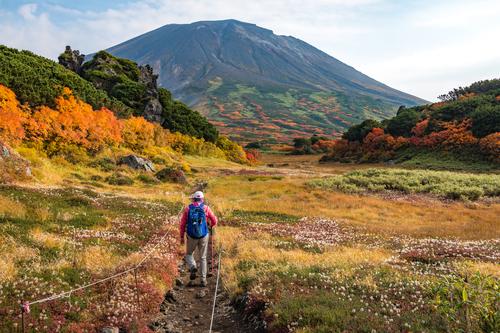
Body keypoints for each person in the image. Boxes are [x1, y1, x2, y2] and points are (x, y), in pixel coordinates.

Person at [179, 191, 217, 287]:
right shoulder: (206, 208)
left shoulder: (188, 209)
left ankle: (193, 266)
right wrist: (210, 226)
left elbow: (182, 224)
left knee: (188, 254)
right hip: (204, 235)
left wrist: (181, 237)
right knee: (203, 257)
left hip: (191, 235)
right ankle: (203, 280)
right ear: (202, 199)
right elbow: (214, 220)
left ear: (193, 199)